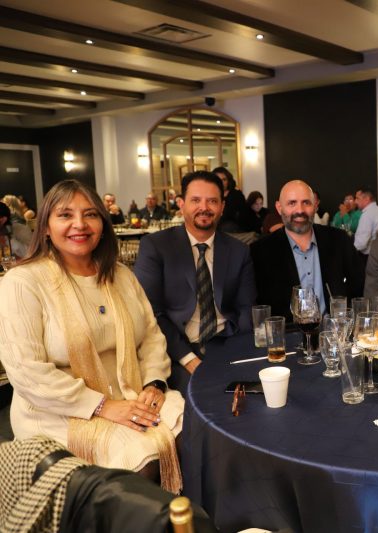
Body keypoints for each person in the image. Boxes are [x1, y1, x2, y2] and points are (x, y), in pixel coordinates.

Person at [0, 180, 183, 492]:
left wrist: (154, 383)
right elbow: (26, 371)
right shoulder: (23, 282)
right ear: (46, 227)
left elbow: (151, 337)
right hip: (58, 411)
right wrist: (102, 406)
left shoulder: (121, 275)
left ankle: (184, 514)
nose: (80, 224)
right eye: (65, 215)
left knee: (193, 429)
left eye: (90, 214)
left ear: (103, 223)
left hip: (130, 393)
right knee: (142, 457)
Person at [134, 171, 256, 392]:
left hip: (227, 343)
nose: (204, 207)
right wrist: (188, 359)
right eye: (196, 200)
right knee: (201, 397)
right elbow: (150, 313)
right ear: (181, 204)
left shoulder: (239, 251)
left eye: (212, 201)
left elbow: (246, 308)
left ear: (222, 207)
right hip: (179, 349)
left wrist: (241, 351)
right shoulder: (156, 246)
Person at [251, 180, 364, 321]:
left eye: (306, 203)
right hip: (287, 333)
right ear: (279, 208)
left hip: (334, 331)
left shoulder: (339, 240)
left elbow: (358, 286)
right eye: (292, 203)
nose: (300, 210)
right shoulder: (260, 251)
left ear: (315, 206)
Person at [353, 186, 378, 257]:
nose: (355, 202)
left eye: (357, 198)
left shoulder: (367, 215)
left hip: (368, 257)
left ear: (367, 199)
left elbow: (361, 244)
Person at [214, 166, 247, 233]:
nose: (221, 182)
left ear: (228, 181)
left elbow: (230, 215)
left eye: (224, 180)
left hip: (232, 226)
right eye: (218, 179)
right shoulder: (211, 194)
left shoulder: (236, 194)